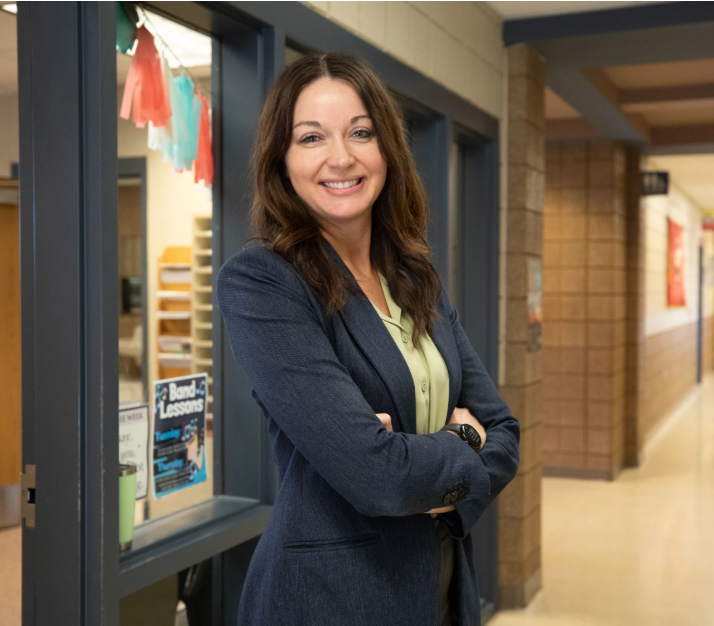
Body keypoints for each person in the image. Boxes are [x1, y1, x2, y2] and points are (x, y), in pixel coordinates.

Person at [216, 51, 520, 626]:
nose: (341, 157)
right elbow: (377, 477)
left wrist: (419, 459)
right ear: (281, 159)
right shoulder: (265, 281)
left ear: (388, 150)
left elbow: (504, 429)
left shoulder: (413, 276)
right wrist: (462, 435)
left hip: (440, 582)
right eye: (311, 138)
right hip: (332, 598)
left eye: (361, 132)